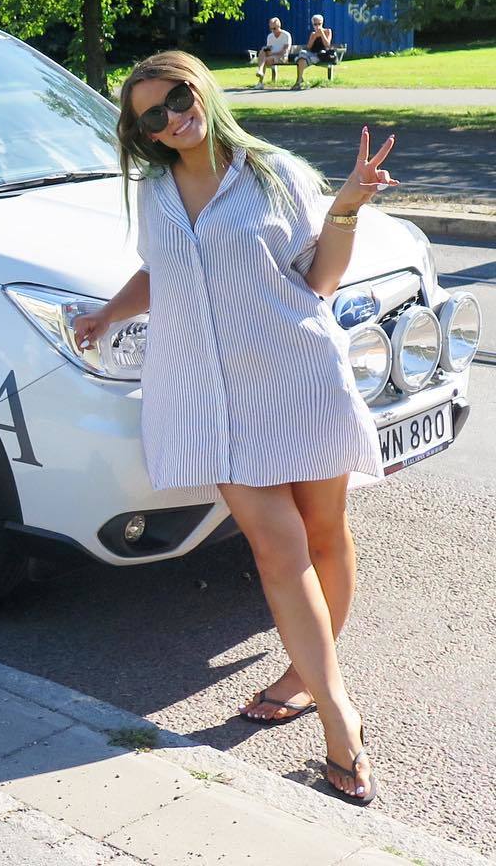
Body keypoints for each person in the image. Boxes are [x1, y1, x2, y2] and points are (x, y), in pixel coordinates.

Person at [73, 51, 398, 807]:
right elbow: (163, 272)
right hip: (209, 398)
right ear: (142, 134)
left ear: (202, 89)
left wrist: (347, 206)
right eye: (151, 117)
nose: (172, 120)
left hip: (297, 379)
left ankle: (303, 677)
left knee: (324, 537)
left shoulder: (274, 173)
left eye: (178, 98)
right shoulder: (153, 192)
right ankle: (341, 718)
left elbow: (320, 279)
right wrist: (108, 313)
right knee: (278, 550)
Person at [294, 14, 333, 89]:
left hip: (321, 55)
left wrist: (322, 34)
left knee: (301, 59)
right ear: (313, 25)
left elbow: (327, 45)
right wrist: (315, 36)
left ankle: (299, 81)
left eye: (319, 24)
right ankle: (299, 80)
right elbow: (309, 47)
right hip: (311, 54)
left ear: (322, 23)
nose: (317, 26)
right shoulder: (313, 34)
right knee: (302, 57)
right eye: (315, 24)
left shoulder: (327, 31)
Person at [255, 17, 292, 87]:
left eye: (274, 28)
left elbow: (285, 51)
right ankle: (260, 72)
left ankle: (260, 81)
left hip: (282, 57)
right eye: (271, 28)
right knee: (262, 52)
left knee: (264, 60)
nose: (272, 30)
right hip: (271, 57)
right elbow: (269, 49)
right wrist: (266, 50)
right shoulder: (270, 36)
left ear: (279, 26)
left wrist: (272, 54)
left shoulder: (286, 35)